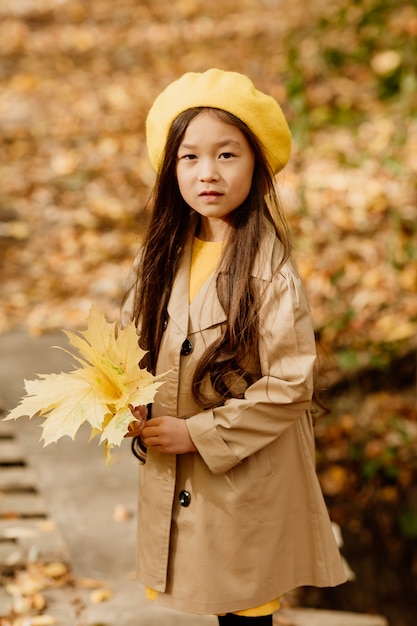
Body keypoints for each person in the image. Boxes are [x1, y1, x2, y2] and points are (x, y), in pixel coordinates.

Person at [122, 68, 346, 625]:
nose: (208, 174)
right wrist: (128, 401)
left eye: (228, 155)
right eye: (190, 157)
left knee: (245, 607)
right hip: (179, 469)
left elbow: (292, 383)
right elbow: (128, 348)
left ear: (257, 166)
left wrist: (196, 433)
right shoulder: (158, 258)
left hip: (243, 472)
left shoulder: (269, 271)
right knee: (207, 593)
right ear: (171, 167)